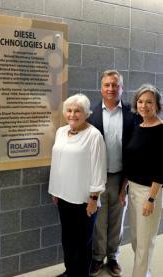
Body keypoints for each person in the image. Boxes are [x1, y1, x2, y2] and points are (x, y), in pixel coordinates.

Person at [49, 93, 107, 277]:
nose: (72, 114)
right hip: (64, 196)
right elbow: (57, 162)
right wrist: (55, 190)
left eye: (78, 111)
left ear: (86, 113)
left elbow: (99, 169)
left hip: (84, 200)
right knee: (68, 239)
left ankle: (81, 274)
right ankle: (70, 271)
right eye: (69, 110)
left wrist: (93, 198)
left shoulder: (94, 135)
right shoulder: (61, 132)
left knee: (83, 242)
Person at [89, 69, 138, 276]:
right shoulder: (91, 114)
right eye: (107, 85)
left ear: (122, 88)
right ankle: (98, 258)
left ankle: (113, 256)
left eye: (115, 85)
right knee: (99, 220)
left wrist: (126, 184)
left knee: (117, 219)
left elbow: (134, 150)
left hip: (121, 177)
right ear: (101, 88)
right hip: (97, 177)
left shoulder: (131, 114)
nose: (111, 89)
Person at [123, 84, 163, 277]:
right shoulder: (138, 126)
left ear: (157, 105)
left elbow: (161, 168)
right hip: (133, 189)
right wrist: (124, 188)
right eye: (140, 101)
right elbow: (130, 162)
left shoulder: (161, 129)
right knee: (137, 240)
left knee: (145, 242)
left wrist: (152, 199)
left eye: (149, 102)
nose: (144, 105)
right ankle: (144, 272)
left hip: (150, 191)